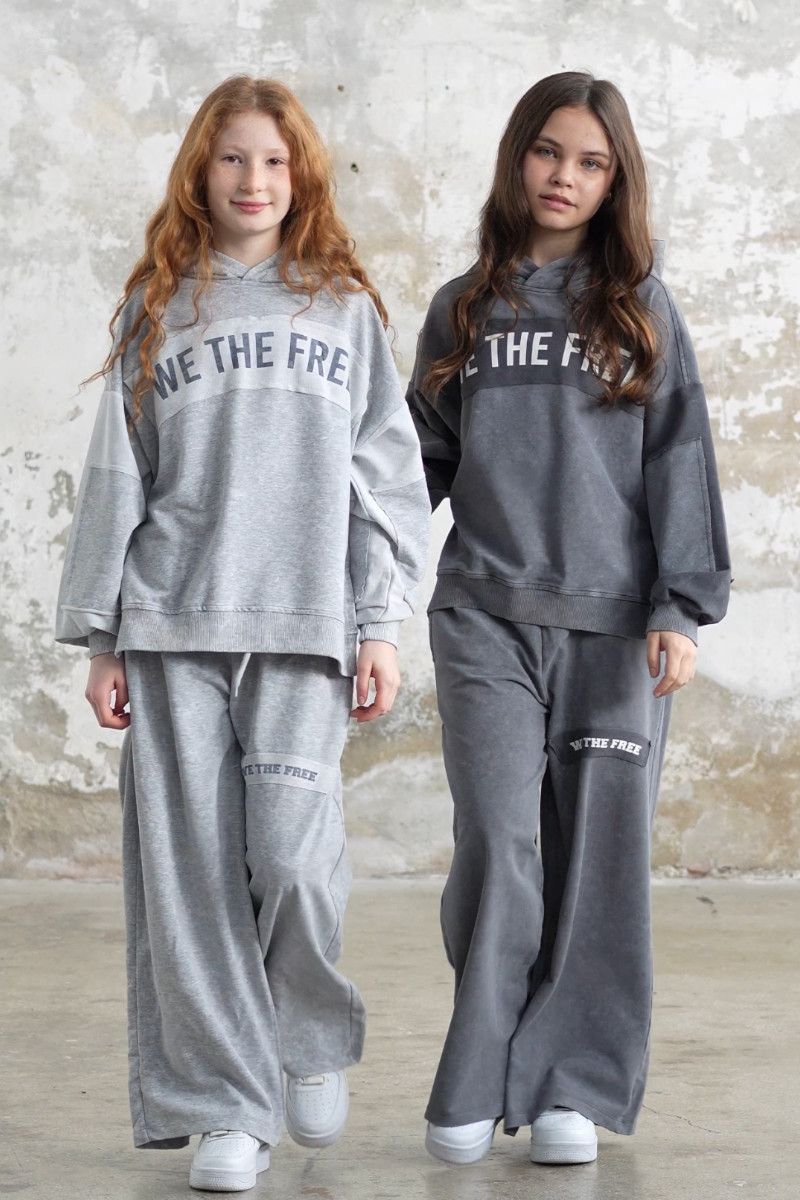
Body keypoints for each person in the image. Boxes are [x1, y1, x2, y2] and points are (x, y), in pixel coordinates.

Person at [55, 75, 429, 1193]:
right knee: (195, 879)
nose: (253, 180)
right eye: (232, 159)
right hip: (173, 621)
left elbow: (385, 481)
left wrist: (379, 622)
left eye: (273, 160)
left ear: (299, 175)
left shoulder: (343, 310)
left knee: (294, 860)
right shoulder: (158, 306)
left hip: (305, 629)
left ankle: (304, 1032)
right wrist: (101, 637)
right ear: (200, 172)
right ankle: (228, 1105)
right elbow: (118, 475)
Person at [406, 71, 729, 1169]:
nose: (564, 177)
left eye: (591, 162)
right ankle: (478, 1069)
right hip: (483, 614)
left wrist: (680, 605)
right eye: (548, 151)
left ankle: (570, 1085)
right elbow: (411, 467)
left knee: (598, 863)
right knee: (498, 844)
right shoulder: (461, 308)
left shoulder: (639, 309)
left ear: (614, 179)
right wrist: (345, 576)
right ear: (517, 157)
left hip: (614, 630)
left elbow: (680, 457)